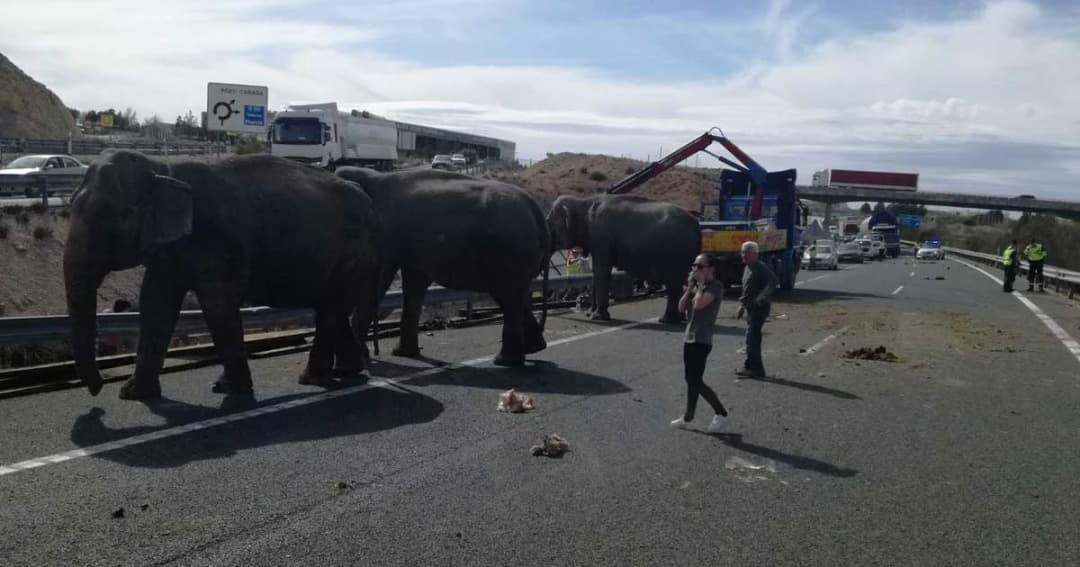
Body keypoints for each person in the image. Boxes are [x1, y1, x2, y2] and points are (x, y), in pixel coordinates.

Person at [670, 253, 729, 434]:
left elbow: (699, 305)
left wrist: (701, 285)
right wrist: (689, 288)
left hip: (702, 339)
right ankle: (688, 415)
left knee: (695, 380)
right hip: (689, 337)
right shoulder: (696, 287)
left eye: (700, 266)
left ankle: (721, 413)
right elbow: (681, 308)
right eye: (694, 265)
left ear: (711, 269)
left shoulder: (715, 286)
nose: (695, 269)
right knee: (690, 380)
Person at [737, 241, 778, 378]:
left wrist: (759, 299)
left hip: (759, 308)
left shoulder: (760, 267)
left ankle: (753, 368)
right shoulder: (747, 268)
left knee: (752, 337)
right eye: (742, 252)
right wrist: (742, 306)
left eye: (747, 252)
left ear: (755, 254)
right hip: (750, 307)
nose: (744, 255)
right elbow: (746, 290)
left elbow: (772, 282)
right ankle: (756, 368)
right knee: (752, 337)